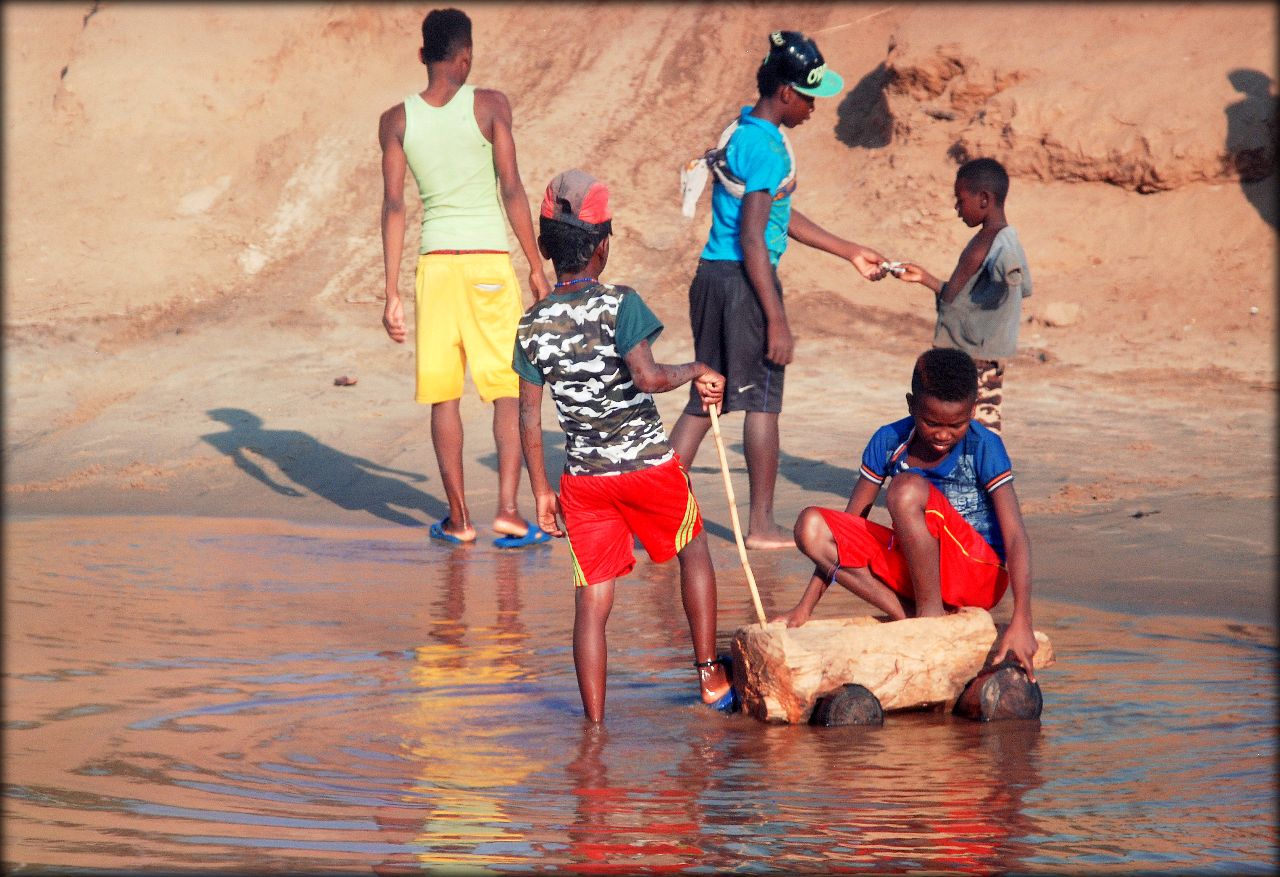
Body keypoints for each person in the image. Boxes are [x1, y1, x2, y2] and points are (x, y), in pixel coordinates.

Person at [513, 169, 734, 722]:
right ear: (603, 245)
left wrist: (541, 492)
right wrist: (698, 369)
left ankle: (593, 727)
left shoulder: (532, 323)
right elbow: (649, 378)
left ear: (545, 246)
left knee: (593, 599)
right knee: (695, 552)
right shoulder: (621, 303)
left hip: (583, 481)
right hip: (647, 468)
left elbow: (526, 414)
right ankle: (709, 676)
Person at [670, 30, 888, 550]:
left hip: (712, 278)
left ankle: (659, 509)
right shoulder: (768, 148)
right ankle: (761, 525)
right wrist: (777, 318)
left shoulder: (741, 129)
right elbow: (753, 236)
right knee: (763, 403)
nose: (814, 107)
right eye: (810, 96)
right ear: (787, 94)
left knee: (707, 399)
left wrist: (848, 250)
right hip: (746, 283)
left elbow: (773, 217)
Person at [378, 7, 552, 546]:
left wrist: (390, 293)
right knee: (505, 390)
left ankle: (458, 520)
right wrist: (535, 264)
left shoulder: (396, 120)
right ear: (466, 55)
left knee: (444, 396)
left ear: (421, 55)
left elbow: (393, 206)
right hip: (487, 264)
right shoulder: (490, 105)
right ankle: (506, 509)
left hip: (435, 268)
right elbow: (513, 188)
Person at [772, 347, 1038, 680]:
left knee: (905, 488)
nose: (943, 435)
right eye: (930, 422)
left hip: (978, 575)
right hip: (919, 573)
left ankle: (929, 618)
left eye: (956, 424)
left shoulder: (985, 446)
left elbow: (1015, 535)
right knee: (811, 527)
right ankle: (913, 616)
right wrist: (805, 608)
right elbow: (850, 527)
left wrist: (1022, 620)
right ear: (911, 405)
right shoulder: (888, 440)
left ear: (973, 411)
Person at [890, 157, 1032, 433]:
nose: (957, 209)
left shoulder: (1001, 240)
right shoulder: (984, 237)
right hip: (958, 357)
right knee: (945, 428)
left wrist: (1009, 272)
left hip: (978, 363)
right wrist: (925, 279)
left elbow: (1013, 271)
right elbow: (962, 299)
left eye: (960, 200)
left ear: (984, 199)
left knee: (980, 434)